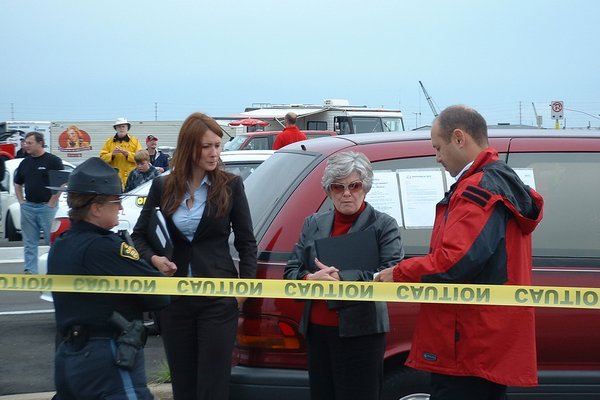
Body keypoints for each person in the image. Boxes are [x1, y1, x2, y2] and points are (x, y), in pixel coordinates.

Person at [375, 105, 544, 400]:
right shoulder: (502, 181)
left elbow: (454, 262)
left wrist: (397, 272)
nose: (437, 156)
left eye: (438, 147)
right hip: (484, 340)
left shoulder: (477, 190)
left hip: (465, 342)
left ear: (459, 138)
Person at [131, 112, 257, 400]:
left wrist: (243, 293)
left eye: (218, 145)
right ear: (190, 148)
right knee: (184, 385)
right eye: (207, 146)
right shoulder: (162, 186)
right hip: (174, 302)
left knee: (212, 387)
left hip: (218, 300)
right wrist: (154, 259)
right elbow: (139, 236)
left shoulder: (230, 185)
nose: (215, 153)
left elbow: (248, 243)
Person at [284, 151, 404, 400]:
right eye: (338, 187)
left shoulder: (384, 225)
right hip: (318, 332)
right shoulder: (312, 223)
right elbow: (291, 271)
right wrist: (309, 280)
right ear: (329, 191)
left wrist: (343, 280)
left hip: (363, 333)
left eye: (354, 185)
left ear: (366, 187)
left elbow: (390, 272)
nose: (346, 193)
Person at [47, 157, 170, 400]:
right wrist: (158, 273)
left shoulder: (61, 245)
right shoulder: (106, 247)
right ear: (95, 208)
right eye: (116, 202)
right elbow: (159, 296)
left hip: (68, 356)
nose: (121, 208)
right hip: (107, 357)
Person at [14, 131, 64, 274]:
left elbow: (61, 183)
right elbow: (17, 184)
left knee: (52, 240)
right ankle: (31, 270)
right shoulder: (25, 162)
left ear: (40, 143)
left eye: (29, 143)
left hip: (47, 207)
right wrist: (21, 202)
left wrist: (52, 202)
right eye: (25, 142)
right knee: (30, 242)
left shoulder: (53, 161)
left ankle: (55, 270)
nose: (25, 145)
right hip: (28, 207)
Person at [99, 117, 142, 189]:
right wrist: (112, 155)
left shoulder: (135, 141)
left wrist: (127, 154)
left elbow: (141, 158)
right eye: (119, 126)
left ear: (127, 128)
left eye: (123, 126)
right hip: (113, 178)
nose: (121, 128)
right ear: (116, 128)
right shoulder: (109, 142)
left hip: (131, 177)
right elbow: (102, 158)